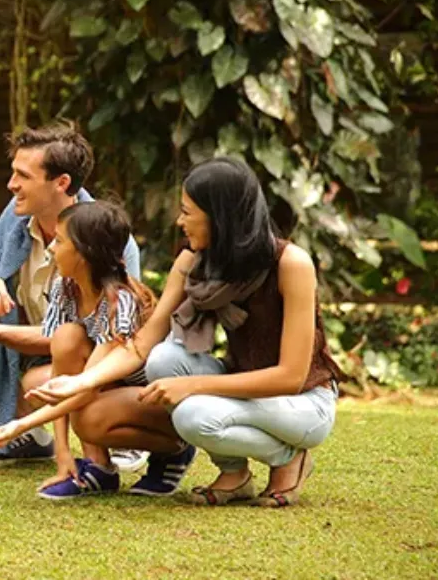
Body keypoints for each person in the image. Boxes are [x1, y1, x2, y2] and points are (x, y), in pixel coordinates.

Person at [28, 157, 345, 505]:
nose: (180, 221)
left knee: (193, 417)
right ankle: (235, 473)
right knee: (164, 359)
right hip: (245, 386)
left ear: (219, 216)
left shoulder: (291, 264)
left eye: (187, 211)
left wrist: (192, 385)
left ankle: (290, 458)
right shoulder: (193, 261)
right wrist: (81, 382)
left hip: (303, 402)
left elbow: (291, 377)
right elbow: (143, 344)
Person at [0, 126, 143, 469]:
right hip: (39, 341)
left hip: (95, 353)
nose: (11, 184)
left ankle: (119, 432)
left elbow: (112, 336)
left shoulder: (103, 234)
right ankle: (28, 438)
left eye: (22, 175)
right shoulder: (14, 222)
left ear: (61, 183)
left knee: (49, 367)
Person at [0, 201, 156, 499]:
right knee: (65, 339)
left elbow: (88, 384)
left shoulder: (119, 302)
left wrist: (20, 425)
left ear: (84, 253)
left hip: (140, 395)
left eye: (60, 241)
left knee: (87, 413)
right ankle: (95, 467)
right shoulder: (65, 288)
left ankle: (170, 454)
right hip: (95, 382)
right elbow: (60, 358)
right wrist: (63, 455)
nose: (52, 249)